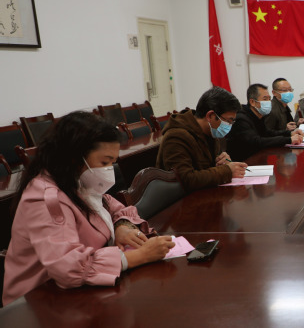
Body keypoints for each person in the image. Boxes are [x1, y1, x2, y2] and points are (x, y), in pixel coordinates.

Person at [3, 112, 175, 305]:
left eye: (112, 162)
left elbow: (113, 207)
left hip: (79, 292)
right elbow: (68, 267)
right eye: (104, 162)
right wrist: (140, 256)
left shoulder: (76, 180)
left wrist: (122, 226)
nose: (109, 169)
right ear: (75, 158)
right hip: (37, 302)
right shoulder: (45, 198)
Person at [156, 86, 247, 193]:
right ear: (210, 115)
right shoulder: (176, 137)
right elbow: (185, 179)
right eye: (228, 121)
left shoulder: (211, 132)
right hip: (181, 200)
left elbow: (208, 169)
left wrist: (222, 162)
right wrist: (226, 171)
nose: (229, 125)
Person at [226, 83, 304, 161]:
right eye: (265, 99)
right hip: (244, 161)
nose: (269, 102)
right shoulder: (241, 118)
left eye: (269, 98)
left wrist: (290, 133)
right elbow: (256, 142)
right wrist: (288, 140)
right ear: (252, 102)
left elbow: (267, 133)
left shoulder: (258, 115)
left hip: (257, 157)